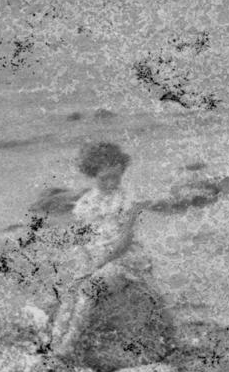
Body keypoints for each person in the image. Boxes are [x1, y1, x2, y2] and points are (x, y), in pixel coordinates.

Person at [46, 140, 151, 359]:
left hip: (125, 260)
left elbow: (124, 242)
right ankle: (55, 343)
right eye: (105, 178)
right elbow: (82, 243)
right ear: (93, 174)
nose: (112, 183)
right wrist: (84, 268)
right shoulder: (84, 204)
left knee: (88, 291)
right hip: (97, 262)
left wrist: (97, 265)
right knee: (70, 291)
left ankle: (69, 346)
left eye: (116, 176)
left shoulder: (129, 200)